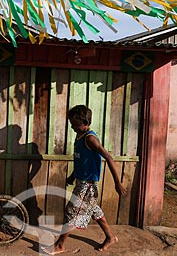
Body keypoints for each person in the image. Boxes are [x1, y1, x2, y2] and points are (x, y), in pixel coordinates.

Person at [42, 105, 127, 255]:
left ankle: (60, 245)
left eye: (75, 124)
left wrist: (117, 182)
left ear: (85, 122)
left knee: (71, 211)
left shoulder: (90, 138)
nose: (73, 127)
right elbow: (81, 160)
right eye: (71, 124)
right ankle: (111, 237)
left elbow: (109, 157)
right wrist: (73, 175)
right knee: (93, 210)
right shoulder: (79, 135)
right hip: (81, 182)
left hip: (88, 186)